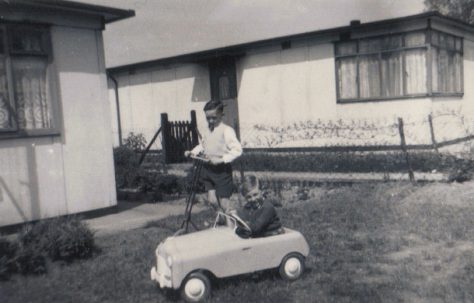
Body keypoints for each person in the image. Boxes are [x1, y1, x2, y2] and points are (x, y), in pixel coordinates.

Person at [184, 99, 242, 214]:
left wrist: (221, 160)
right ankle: (222, 219)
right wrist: (192, 152)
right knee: (212, 200)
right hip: (208, 170)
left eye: (214, 118)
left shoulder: (227, 130)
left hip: (222, 172)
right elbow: (203, 145)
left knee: (224, 203)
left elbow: (237, 150)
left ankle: (232, 224)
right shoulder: (207, 131)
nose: (210, 120)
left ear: (221, 115)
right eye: (208, 118)